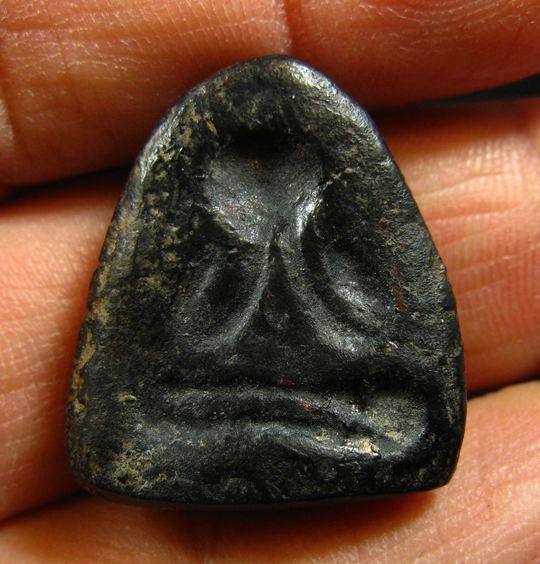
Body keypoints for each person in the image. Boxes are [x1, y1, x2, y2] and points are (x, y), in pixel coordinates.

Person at [0, 1, 538, 560]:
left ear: (311, 195)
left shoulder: (328, 254)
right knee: (129, 430)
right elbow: (186, 347)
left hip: (320, 403)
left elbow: (364, 343)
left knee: (404, 421)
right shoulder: (218, 261)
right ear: (222, 206)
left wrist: (296, 261)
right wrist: (248, 258)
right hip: (222, 403)